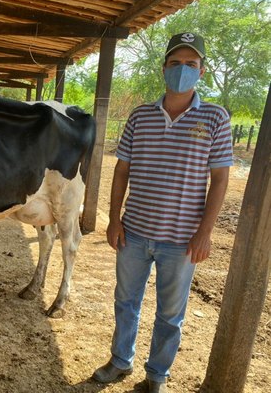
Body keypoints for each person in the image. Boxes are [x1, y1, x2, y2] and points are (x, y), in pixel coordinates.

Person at [92, 33, 233, 393]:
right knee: (125, 302)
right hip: (134, 232)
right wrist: (114, 218)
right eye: (175, 63)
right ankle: (120, 361)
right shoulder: (141, 115)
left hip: (182, 240)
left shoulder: (215, 118)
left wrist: (205, 232)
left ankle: (157, 375)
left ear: (201, 72)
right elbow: (121, 170)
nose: (181, 70)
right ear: (163, 68)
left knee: (170, 315)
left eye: (190, 65)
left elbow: (219, 180)